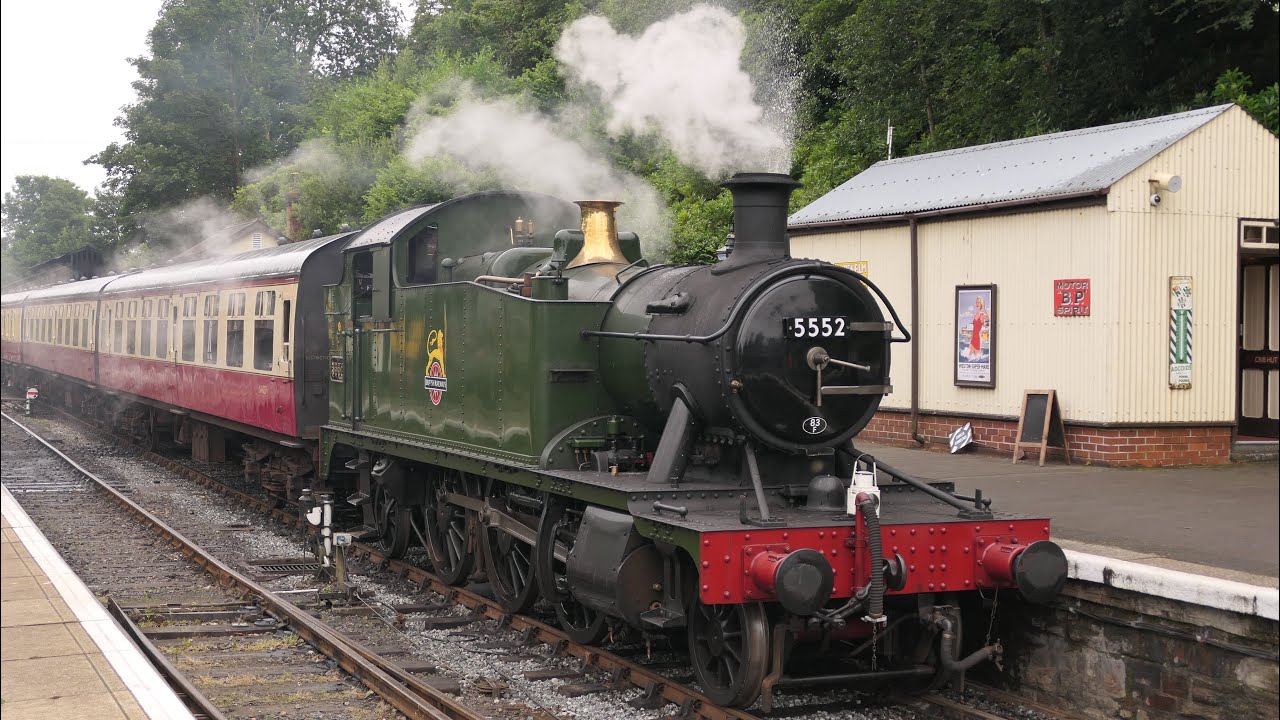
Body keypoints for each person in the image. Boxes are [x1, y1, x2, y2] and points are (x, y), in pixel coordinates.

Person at [964, 296, 988, 360]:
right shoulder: (975, 315)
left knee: (977, 358)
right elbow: (975, 328)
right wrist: (971, 336)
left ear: (981, 304)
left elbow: (988, 318)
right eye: (976, 302)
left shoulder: (982, 314)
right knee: (968, 357)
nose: (977, 304)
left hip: (977, 338)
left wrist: (985, 309)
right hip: (973, 338)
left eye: (979, 302)